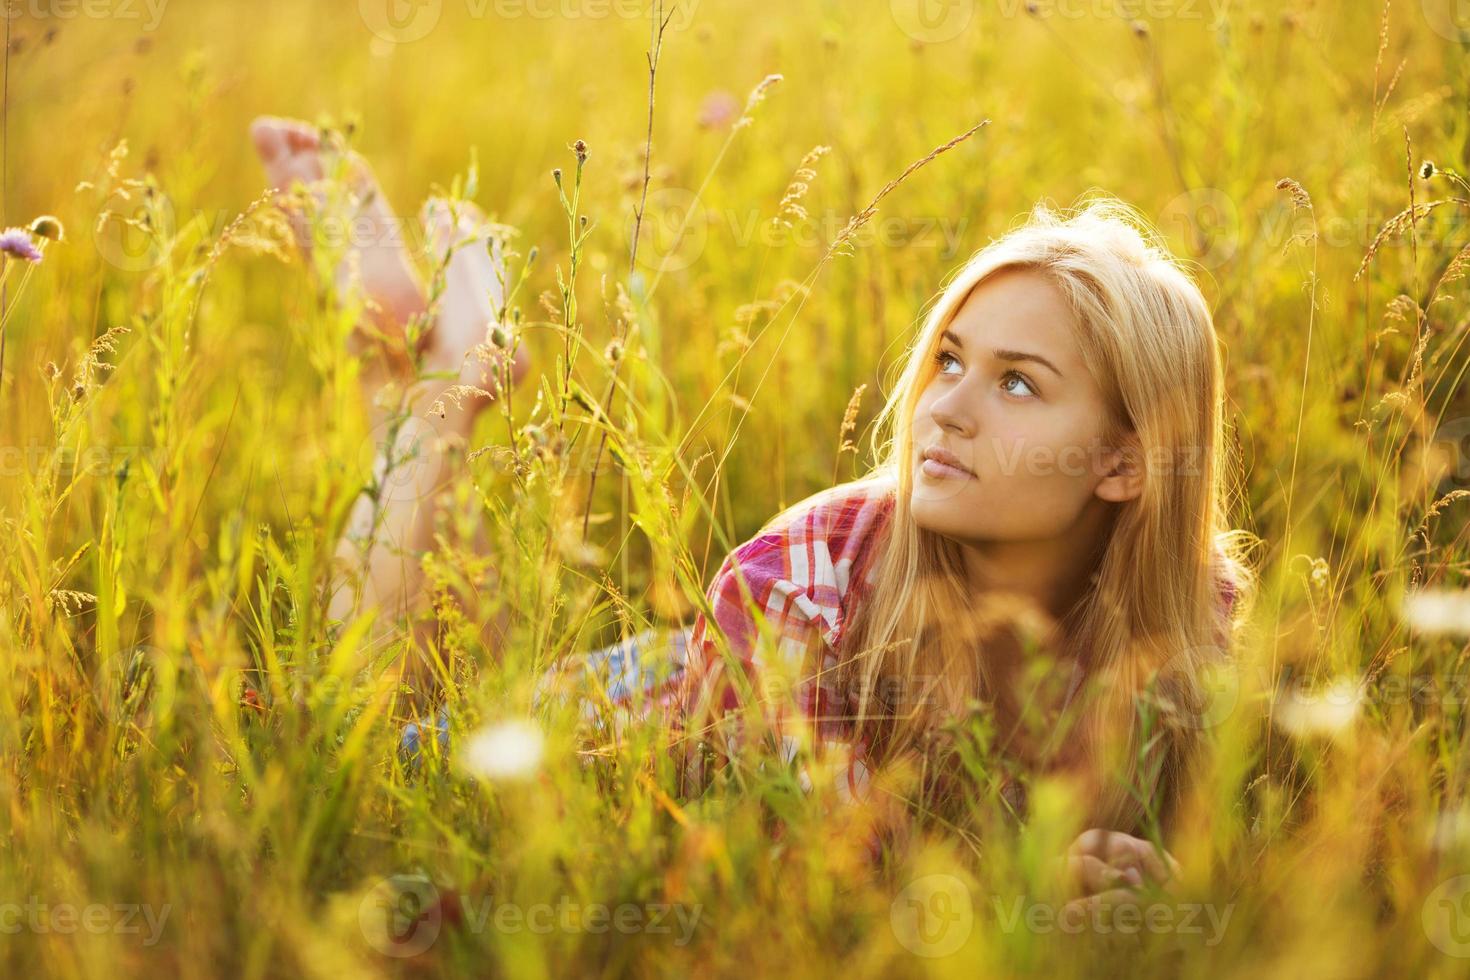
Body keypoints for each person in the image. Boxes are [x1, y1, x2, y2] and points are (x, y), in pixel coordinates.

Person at [250, 116, 1252, 907]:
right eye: (949, 357)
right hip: (642, 720)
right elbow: (811, 879)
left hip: (708, 678)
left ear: (1126, 460)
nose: (944, 404)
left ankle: (437, 360)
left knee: (478, 660)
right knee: (368, 743)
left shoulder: (1188, 616)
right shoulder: (800, 574)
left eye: (1018, 383)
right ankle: (436, 391)